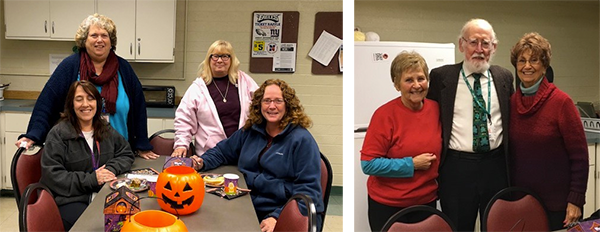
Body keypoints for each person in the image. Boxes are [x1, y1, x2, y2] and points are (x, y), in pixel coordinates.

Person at [15, 13, 159, 160]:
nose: (100, 40)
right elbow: (46, 102)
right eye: (94, 35)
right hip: (76, 156)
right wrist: (33, 134)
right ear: (84, 40)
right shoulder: (70, 66)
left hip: (119, 153)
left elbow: (139, 108)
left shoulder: (124, 68)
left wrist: (141, 145)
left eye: (105, 35)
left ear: (111, 41)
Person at [189, 79, 324, 232]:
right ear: (259, 105)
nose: (272, 106)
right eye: (266, 101)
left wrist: (278, 217)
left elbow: (309, 191)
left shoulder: (302, 140)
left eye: (278, 101)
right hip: (248, 204)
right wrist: (201, 162)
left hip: (280, 209)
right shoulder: (250, 131)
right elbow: (222, 151)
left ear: (288, 105)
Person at [426, 18, 514, 231]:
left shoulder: (504, 77)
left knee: (495, 224)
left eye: (486, 43)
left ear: (494, 47)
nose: (479, 49)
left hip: (496, 166)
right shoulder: (441, 77)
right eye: (473, 42)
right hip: (457, 168)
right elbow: (428, 119)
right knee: (457, 225)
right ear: (461, 45)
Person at [509, 32, 588, 230]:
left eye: (534, 60)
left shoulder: (562, 103)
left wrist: (576, 200)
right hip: (523, 202)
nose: (527, 66)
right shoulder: (511, 103)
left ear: (544, 66)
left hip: (558, 206)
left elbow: (579, 157)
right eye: (522, 60)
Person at [360, 51, 441, 232]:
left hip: (426, 202)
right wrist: (411, 164)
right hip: (388, 205)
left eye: (421, 78)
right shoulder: (384, 115)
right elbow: (368, 164)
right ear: (397, 85)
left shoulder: (437, 110)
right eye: (409, 80)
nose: (416, 85)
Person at [40, 80, 135, 230]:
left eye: (90, 98)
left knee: (128, 221)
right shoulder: (58, 134)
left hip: (102, 194)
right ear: (71, 104)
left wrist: (109, 169)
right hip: (70, 200)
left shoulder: (104, 128)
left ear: (97, 103)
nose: (85, 104)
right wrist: (92, 179)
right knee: (97, 227)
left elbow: (126, 153)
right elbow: (52, 177)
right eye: (79, 99)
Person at [171, 40, 258, 157]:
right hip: (210, 154)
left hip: (243, 151)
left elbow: (261, 105)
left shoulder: (244, 81)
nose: (220, 60)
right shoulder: (198, 88)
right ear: (209, 59)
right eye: (215, 56)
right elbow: (184, 119)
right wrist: (181, 144)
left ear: (232, 60)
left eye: (225, 56)